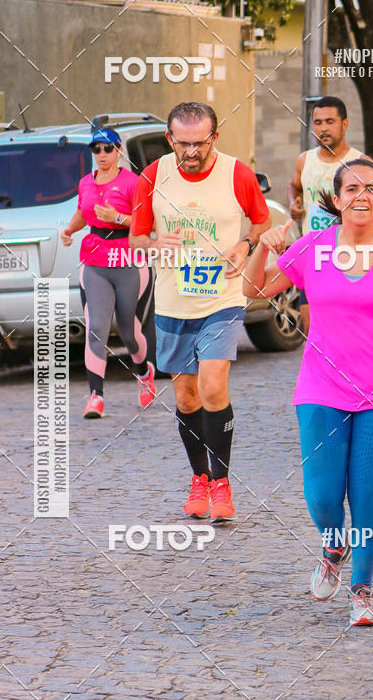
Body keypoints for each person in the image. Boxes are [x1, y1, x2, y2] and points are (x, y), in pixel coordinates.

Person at [244, 158, 373, 625]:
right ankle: (332, 542)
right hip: (321, 386)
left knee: (366, 494)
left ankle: (363, 590)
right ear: (337, 200)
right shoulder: (313, 246)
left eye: (371, 188)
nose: (362, 194)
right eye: (352, 188)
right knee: (321, 495)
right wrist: (263, 246)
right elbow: (253, 289)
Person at [129, 102, 270, 523]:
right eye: (182, 143)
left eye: (200, 143)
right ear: (170, 139)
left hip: (221, 300)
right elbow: (136, 237)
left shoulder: (236, 173)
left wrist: (244, 246)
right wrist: (155, 246)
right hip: (174, 303)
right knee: (186, 396)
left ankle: (223, 484)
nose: (191, 152)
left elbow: (260, 222)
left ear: (215, 137)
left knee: (212, 387)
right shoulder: (152, 177)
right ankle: (200, 478)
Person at [61, 128, 155, 418]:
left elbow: (147, 224)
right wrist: (69, 228)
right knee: (97, 329)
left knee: (128, 332)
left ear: (118, 151)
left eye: (107, 149)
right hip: (95, 263)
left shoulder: (132, 182)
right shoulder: (86, 183)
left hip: (129, 261)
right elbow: (83, 212)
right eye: (96, 149)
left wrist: (116, 218)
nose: (102, 155)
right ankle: (95, 397)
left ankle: (143, 373)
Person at [288, 97, 364, 334]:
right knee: (311, 327)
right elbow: (294, 186)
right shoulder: (304, 160)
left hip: (349, 256)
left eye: (329, 122)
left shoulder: (360, 163)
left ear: (344, 124)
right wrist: (294, 203)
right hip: (313, 254)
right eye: (317, 122)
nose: (323, 128)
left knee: (348, 328)